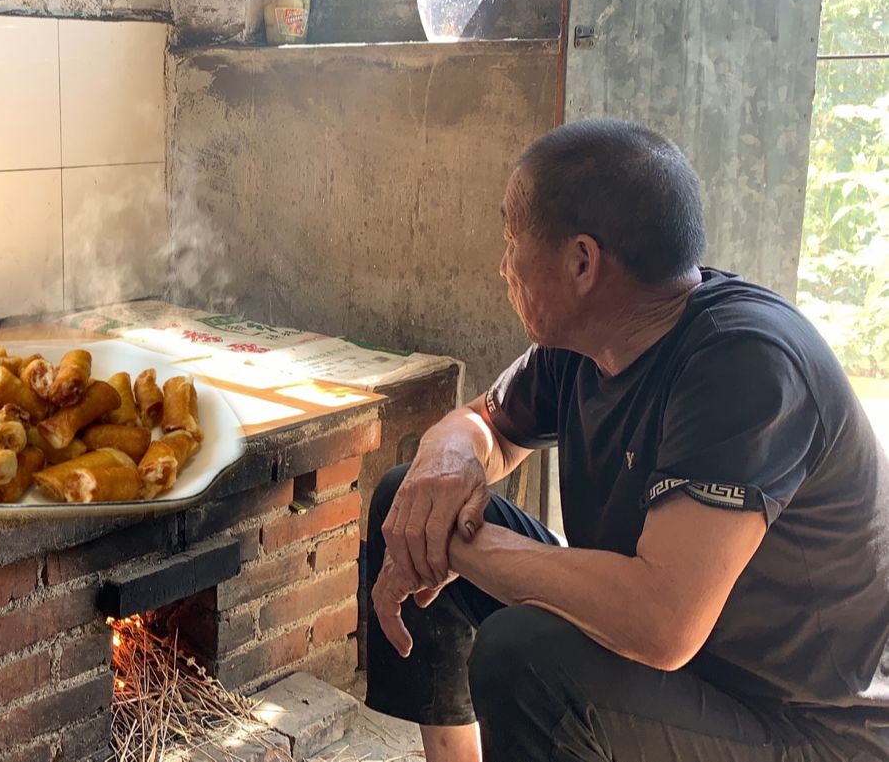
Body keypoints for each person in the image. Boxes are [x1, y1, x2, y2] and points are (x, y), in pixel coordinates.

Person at [365, 119, 889, 761]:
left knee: (525, 657)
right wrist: (445, 457)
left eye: (511, 239)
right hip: (682, 674)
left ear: (581, 262)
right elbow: (485, 425)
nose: (503, 264)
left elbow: (661, 622)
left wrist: (452, 545)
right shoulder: (590, 338)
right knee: (410, 495)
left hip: (799, 726)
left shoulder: (743, 364)